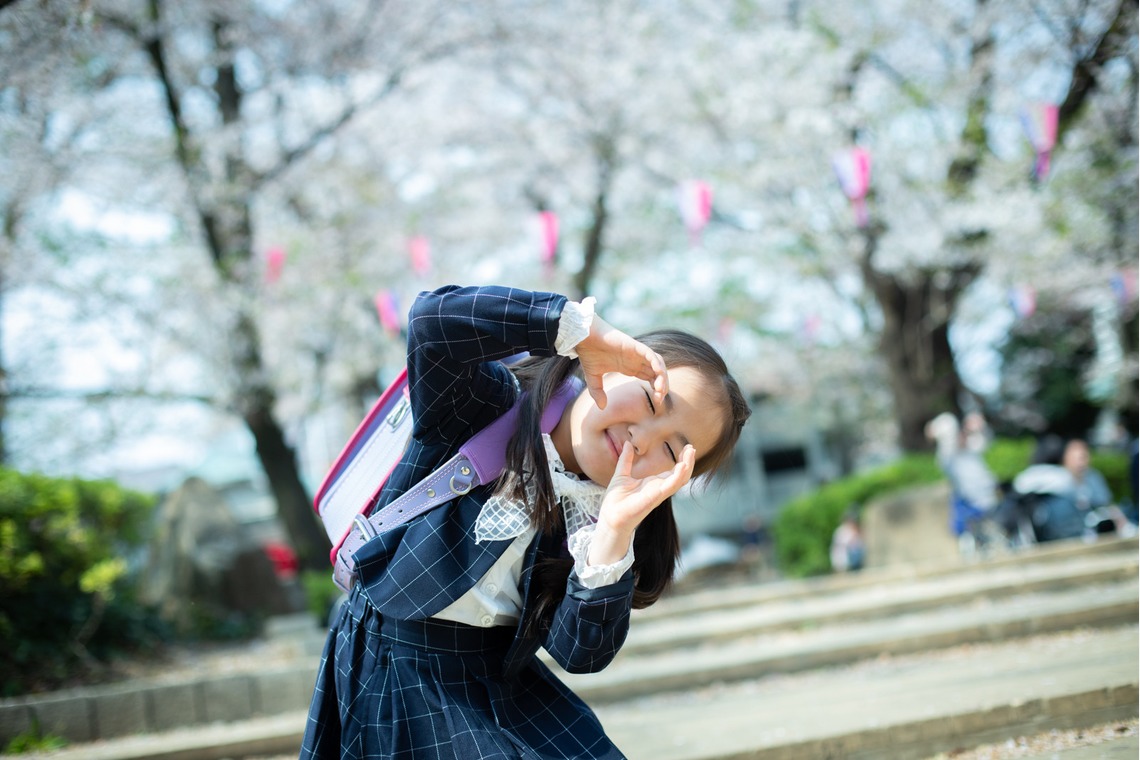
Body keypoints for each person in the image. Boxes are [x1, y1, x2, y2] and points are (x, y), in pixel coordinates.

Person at [300, 284, 751, 759]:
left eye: (671, 451)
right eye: (652, 401)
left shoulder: (605, 520)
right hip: (395, 663)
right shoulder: (485, 405)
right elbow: (432, 323)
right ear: (614, 362)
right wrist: (575, 329)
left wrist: (613, 534)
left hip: (500, 683)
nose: (642, 438)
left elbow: (578, 654)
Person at [925, 412, 1000, 542]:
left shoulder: (972, 449)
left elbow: (983, 440)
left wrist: (977, 427)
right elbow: (945, 433)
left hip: (985, 495)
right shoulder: (947, 457)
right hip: (968, 500)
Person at [829, 507, 865, 573]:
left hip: (853, 559)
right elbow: (847, 543)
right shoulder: (841, 531)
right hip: (843, 558)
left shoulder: (851, 530)